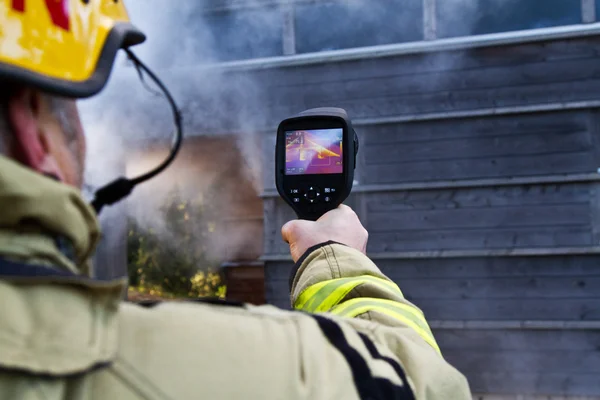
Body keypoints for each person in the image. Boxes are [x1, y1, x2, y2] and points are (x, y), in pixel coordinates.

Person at [0, 2, 471, 399]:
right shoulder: (216, 366)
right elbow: (428, 384)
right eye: (74, 108)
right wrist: (334, 259)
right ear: (32, 127)